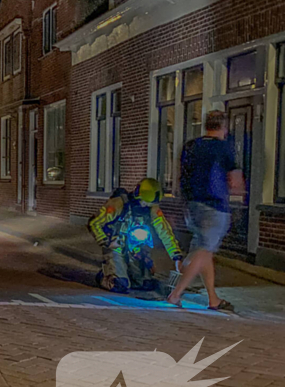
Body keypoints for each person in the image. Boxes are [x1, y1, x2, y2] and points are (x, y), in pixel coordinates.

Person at [167, 110, 243, 311]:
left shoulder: (191, 146)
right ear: (224, 128)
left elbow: (180, 175)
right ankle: (175, 294)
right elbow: (234, 181)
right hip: (214, 206)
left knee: (204, 250)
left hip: (192, 205)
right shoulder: (223, 148)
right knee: (204, 250)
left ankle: (213, 299)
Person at [88, 178, 183, 293]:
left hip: (136, 249)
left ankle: (128, 274)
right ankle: (104, 276)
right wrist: (107, 242)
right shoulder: (118, 204)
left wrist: (176, 256)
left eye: (149, 205)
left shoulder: (152, 208)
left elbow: (164, 231)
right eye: (144, 203)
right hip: (116, 247)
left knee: (146, 284)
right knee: (120, 285)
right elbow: (94, 223)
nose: (145, 208)